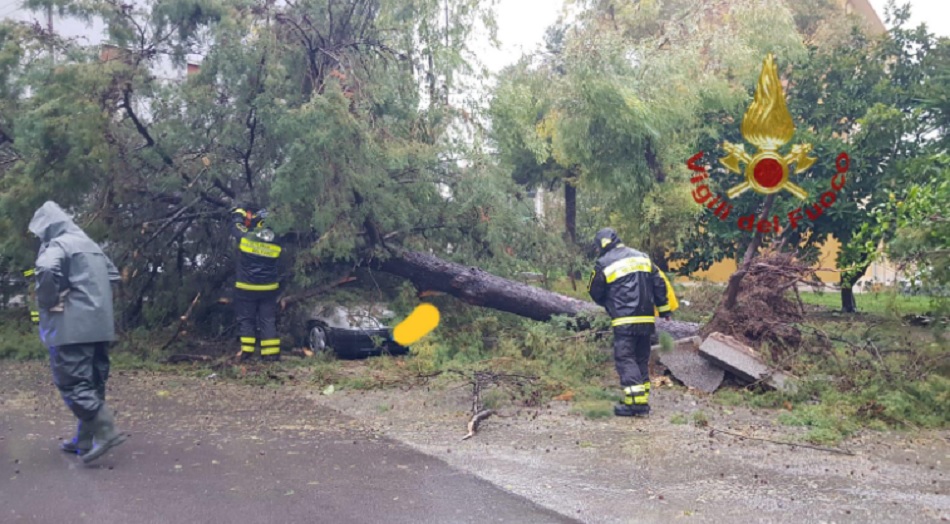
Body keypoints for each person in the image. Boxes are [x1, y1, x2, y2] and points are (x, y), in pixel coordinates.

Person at [28, 201, 125, 464]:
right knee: (93, 382)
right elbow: (113, 275)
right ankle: (83, 439)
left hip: (72, 327)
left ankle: (106, 431)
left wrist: (51, 300)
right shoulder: (90, 245)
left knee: (72, 382)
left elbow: (46, 269)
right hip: (100, 326)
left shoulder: (58, 245)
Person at [587, 228, 673, 417]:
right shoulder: (642, 257)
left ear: (601, 245)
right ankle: (641, 401)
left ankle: (634, 404)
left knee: (625, 358)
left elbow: (594, 291)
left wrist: (608, 303)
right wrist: (664, 308)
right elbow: (659, 283)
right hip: (646, 319)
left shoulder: (604, 262)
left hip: (624, 320)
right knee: (640, 358)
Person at [229, 203, 283, 362]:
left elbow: (235, 228)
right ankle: (270, 355)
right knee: (268, 320)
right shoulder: (276, 238)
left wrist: (238, 214)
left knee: (247, 319)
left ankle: (247, 352)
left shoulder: (247, 236)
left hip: (246, 287)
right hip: (269, 288)